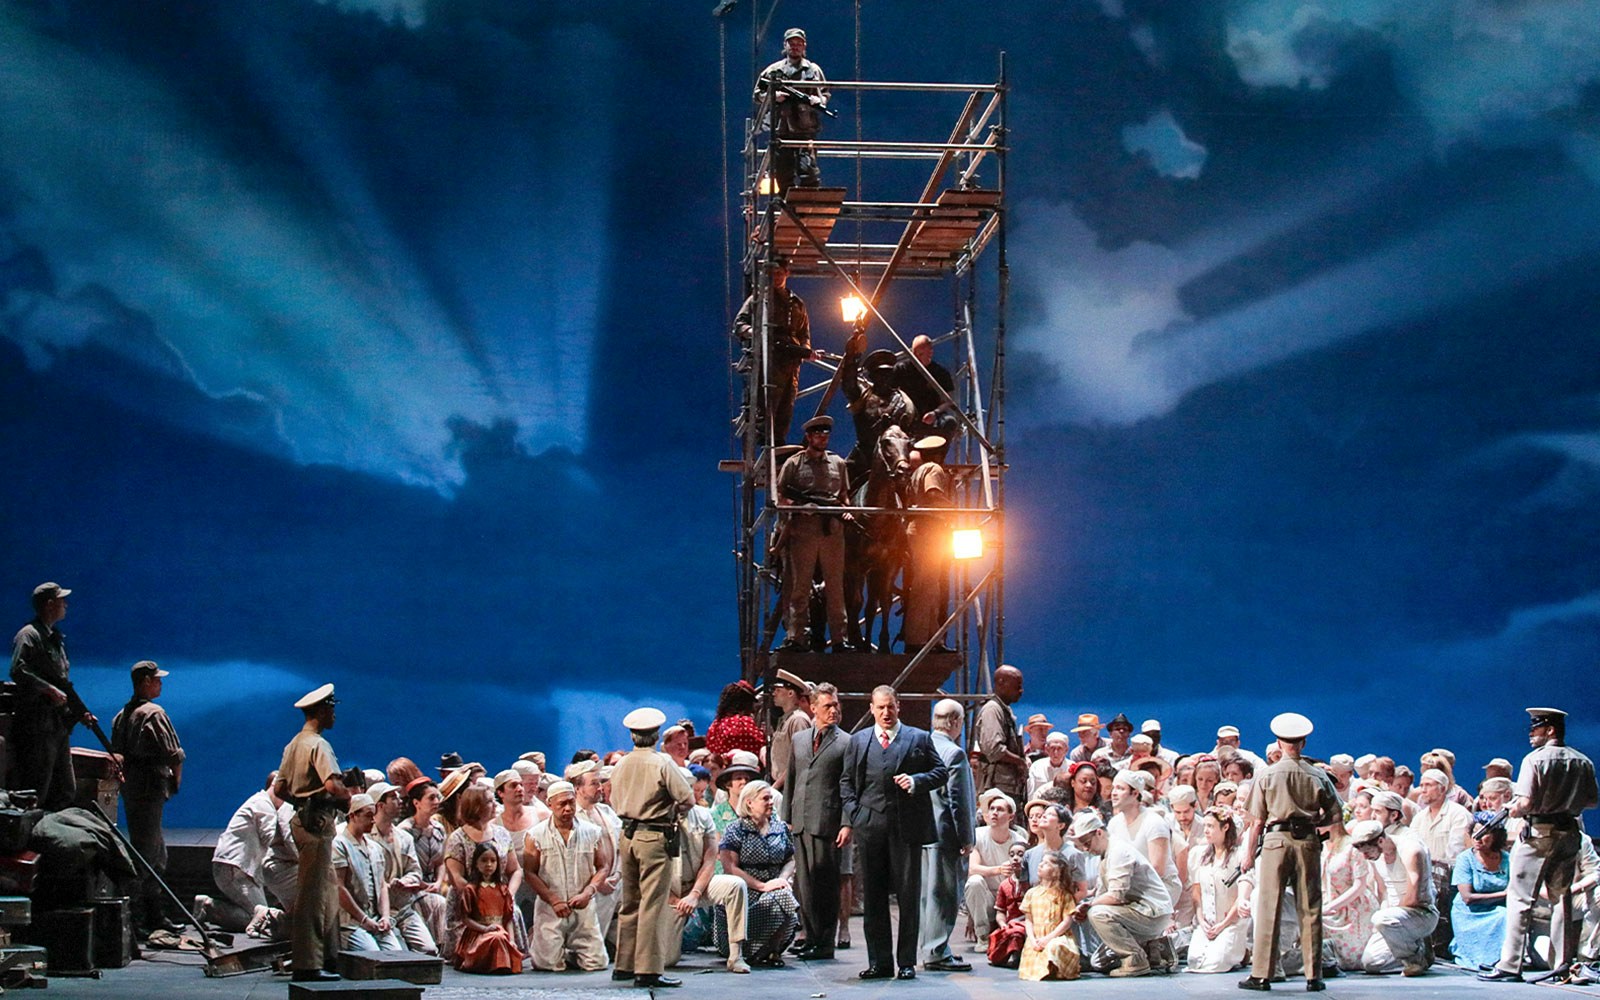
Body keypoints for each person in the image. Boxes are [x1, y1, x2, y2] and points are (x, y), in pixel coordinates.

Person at [1481, 706, 1598, 983]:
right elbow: (1593, 801)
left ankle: (1510, 964)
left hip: (1538, 833)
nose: (1531, 733)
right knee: (1562, 899)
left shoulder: (1534, 760)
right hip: (1568, 831)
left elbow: (1525, 802)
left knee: (1520, 898)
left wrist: (1513, 810)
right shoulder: (1582, 761)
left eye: (1536, 727)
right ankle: (1561, 964)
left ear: (1550, 730)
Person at [839, 685, 947, 980]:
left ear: (899, 706)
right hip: (871, 828)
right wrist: (857, 815)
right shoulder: (859, 741)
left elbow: (941, 772)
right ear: (872, 709)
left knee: (908, 897)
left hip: (906, 829)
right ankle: (880, 962)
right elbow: (847, 783)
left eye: (890, 706)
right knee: (873, 898)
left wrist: (917, 781)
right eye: (881, 707)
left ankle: (907, 962)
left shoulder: (918, 738)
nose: (886, 712)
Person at [1237, 711, 1342, 992]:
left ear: (1279, 743)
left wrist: (1248, 854)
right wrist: (1313, 822)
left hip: (1276, 841)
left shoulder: (1267, 774)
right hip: (1307, 840)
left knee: (1268, 906)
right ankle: (1313, 975)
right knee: (1310, 907)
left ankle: (1262, 974)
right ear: (1303, 743)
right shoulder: (1317, 774)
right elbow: (1335, 814)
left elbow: (1257, 821)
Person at [610, 706, 695, 989]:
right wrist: (670, 808)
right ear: (656, 735)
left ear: (633, 735)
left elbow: (613, 798)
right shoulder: (662, 763)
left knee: (630, 901)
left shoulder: (621, 764)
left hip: (627, 835)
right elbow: (687, 799)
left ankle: (624, 964)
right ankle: (647, 969)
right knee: (652, 904)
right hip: (654, 836)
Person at [275, 683, 352, 982]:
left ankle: (328, 956)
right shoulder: (318, 745)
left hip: (303, 820)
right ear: (322, 710)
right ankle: (308, 964)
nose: (334, 714)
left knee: (326, 892)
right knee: (313, 896)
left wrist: (302, 799)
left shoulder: (294, 744)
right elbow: (333, 784)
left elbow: (280, 789)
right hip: (318, 822)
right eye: (331, 708)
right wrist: (346, 798)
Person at [110, 659, 185, 937]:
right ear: (145, 682)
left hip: (132, 790)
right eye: (156, 680)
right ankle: (135, 919)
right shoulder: (153, 713)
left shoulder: (121, 716)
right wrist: (175, 779)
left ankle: (154, 916)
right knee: (146, 855)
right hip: (150, 789)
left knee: (156, 853)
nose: (160, 684)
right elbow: (174, 754)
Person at [9, 582, 93, 811]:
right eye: (61, 600)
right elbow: (18, 669)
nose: (66, 604)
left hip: (57, 725)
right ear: (49, 604)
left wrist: (80, 712)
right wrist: (48, 689)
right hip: (37, 727)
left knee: (65, 790)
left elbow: (63, 682)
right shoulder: (29, 635)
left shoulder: (54, 638)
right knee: (37, 789)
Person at [782, 681, 848, 960]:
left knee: (825, 886)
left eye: (836, 705)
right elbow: (792, 779)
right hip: (801, 820)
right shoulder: (800, 739)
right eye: (827, 706)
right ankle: (810, 936)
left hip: (828, 822)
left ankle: (824, 943)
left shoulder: (846, 742)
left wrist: (846, 823)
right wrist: (787, 817)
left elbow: (849, 786)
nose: (833, 710)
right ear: (813, 708)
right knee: (805, 885)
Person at [661, 768, 751, 973]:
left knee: (735, 885)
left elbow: (710, 859)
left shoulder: (703, 815)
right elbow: (652, 867)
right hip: (668, 892)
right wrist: (674, 899)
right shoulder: (656, 818)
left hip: (698, 884)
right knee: (666, 959)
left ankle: (736, 955)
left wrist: (694, 894)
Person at [775, 416, 852, 651]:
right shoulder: (794, 464)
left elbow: (843, 495)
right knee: (800, 587)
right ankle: (796, 637)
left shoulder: (838, 463)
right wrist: (801, 507)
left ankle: (839, 639)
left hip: (832, 532)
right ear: (809, 437)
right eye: (818, 435)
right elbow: (781, 497)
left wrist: (846, 511)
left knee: (835, 587)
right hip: (804, 530)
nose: (823, 439)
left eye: (826, 435)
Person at [1068, 809, 1174, 978]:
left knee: (1097, 913)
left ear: (1099, 833)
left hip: (1152, 912)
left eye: (1087, 843)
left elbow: (1116, 896)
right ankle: (1153, 949)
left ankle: (1135, 959)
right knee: (1098, 962)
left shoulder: (1119, 852)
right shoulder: (1106, 854)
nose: (1087, 849)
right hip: (1136, 909)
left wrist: (1089, 905)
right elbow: (1103, 893)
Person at [522, 780, 609, 973]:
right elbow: (529, 872)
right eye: (562, 804)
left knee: (597, 963)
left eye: (571, 802)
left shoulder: (592, 832)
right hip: (551, 908)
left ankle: (572, 953)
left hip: (583, 907)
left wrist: (588, 892)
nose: (568, 808)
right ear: (550, 804)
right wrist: (553, 899)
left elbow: (603, 867)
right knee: (546, 964)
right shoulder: (535, 835)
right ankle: (560, 951)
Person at [718, 780, 800, 966]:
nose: (771, 802)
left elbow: (790, 859)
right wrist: (762, 886)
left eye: (771, 798)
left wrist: (781, 880)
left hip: (775, 888)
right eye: (765, 798)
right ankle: (759, 951)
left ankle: (772, 950)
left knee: (783, 894)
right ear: (749, 803)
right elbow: (730, 867)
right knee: (784, 898)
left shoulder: (780, 828)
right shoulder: (736, 829)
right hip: (746, 892)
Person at [920, 698, 975, 972]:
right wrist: (967, 838)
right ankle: (937, 951)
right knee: (944, 895)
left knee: (926, 896)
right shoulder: (954, 754)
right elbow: (958, 801)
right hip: (945, 835)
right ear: (954, 722)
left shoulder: (921, 747)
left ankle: (929, 947)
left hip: (922, 833)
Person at [733, 260, 814, 445]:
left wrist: (805, 351)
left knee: (787, 406)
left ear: (787, 273)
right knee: (768, 405)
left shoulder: (797, 303)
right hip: (770, 358)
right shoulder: (759, 299)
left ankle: (778, 444)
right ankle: (768, 442)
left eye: (779, 273)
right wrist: (755, 333)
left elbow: (804, 333)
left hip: (791, 360)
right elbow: (739, 324)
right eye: (773, 273)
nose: (776, 277)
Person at [1352, 804, 1438, 976]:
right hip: (1394, 917)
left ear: (1380, 841)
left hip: (1422, 913)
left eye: (1367, 852)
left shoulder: (1410, 849)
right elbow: (1383, 892)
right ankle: (1419, 948)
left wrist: (1384, 919)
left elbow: (1413, 897)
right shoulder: (1377, 857)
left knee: (1381, 918)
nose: (1365, 857)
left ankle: (1416, 959)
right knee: (1371, 963)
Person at [443, 785, 527, 957]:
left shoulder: (502, 834)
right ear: (475, 806)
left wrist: (506, 895)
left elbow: (516, 870)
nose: (496, 804)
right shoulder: (457, 838)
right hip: (470, 903)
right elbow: (457, 878)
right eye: (489, 801)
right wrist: (484, 897)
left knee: (512, 912)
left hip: (498, 898)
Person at [200, 772, 287, 935]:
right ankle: (209, 907)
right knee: (260, 918)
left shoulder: (260, 802)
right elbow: (271, 839)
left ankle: (212, 907)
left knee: (270, 903)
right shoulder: (264, 806)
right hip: (235, 869)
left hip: (234, 867)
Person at [367, 781, 439, 955]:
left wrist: (406, 881)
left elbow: (414, 870)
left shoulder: (404, 837)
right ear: (380, 805)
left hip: (403, 907)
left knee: (429, 950)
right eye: (393, 798)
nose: (399, 801)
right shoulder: (367, 838)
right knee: (396, 954)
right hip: (378, 910)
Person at [756, 28, 828, 192]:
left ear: (804, 46)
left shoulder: (813, 70)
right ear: (785, 45)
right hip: (781, 128)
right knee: (782, 175)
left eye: (798, 43)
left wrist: (819, 100)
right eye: (792, 43)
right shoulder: (773, 71)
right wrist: (773, 96)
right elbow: (757, 94)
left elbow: (824, 93)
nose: (795, 47)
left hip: (805, 128)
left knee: (809, 172)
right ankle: (786, 206)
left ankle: (808, 204)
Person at [903, 435, 954, 652]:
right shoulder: (933, 469)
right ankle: (916, 640)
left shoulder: (917, 472)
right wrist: (954, 509)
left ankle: (933, 638)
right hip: (929, 530)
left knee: (930, 586)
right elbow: (933, 493)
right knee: (925, 586)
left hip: (921, 529)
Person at [333, 793, 404, 951]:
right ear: (353, 816)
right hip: (351, 923)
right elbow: (339, 887)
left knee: (396, 954)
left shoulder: (374, 848)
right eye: (368, 816)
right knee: (373, 954)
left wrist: (385, 916)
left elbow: (382, 884)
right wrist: (363, 919)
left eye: (374, 816)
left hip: (376, 919)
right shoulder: (339, 845)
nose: (373, 820)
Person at [1184, 807, 1248, 973]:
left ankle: (1241, 951)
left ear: (1225, 827)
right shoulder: (1200, 855)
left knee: (1216, 962)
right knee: (1194, 960)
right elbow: (1196, 892)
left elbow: (1241, 895)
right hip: (1208, 922)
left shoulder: (1238, 856)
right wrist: (1201, 920)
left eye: (1211, 826)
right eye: (1205, 826)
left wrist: (1223, 924)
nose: (1206, 830)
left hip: (1230, 922)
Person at [1321, 810, 1380, 972]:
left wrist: (1331, 906)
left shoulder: (1351, 847)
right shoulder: (1322, 846)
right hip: (1329, 902)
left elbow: (1359, 885)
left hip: (1353, 907)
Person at [965, 789, 1025, 951]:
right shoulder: (978, 835)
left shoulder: (1019, 840)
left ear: (1011, 816)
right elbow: (972, 868)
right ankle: (982, 936)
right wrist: (998, 870)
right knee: (975, 881)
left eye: (1000, 809)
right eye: (992, 809)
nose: (994, 813)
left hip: (1008, 900)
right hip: (987, 898)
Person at [1451, 812, 1511, 970]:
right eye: (1475, 833)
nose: (1477, 838)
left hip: (1497, 909)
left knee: (1505, 915)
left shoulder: (1507, 859)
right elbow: (1467, 897)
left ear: (1495, 837)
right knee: (1502, 915)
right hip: (1469, 913)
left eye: (1483, 833)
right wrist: (1504, 894)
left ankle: (1501, 960)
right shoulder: (1465, 859)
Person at [455, 843, 525, 974]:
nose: (489, 864)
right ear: (476, 863)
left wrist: (511, 940)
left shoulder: (503, 889)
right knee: (496, 938)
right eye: (484, 860)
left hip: (500, 931)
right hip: (479, 933)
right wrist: (484, 929)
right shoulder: (471, 889)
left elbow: (508, 918)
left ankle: (500, 965)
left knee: (499, 937)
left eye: (493, 861)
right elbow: (466, 919)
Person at [1018, 851, 1081, 981]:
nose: (1040, 865)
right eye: (1041, 862)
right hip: (1037, 938)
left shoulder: (1064, 895)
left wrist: (1048, 938)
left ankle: (1058, 969)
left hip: (1056, 936)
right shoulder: (1032, 893)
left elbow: (1067, 922)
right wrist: (1032, 939)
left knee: (1054, 947)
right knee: (1035, 956)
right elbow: (1029, 920)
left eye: (1046, 863)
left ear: (1056, 871)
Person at [973, 665, 1027, 802]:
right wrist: (1020, 762)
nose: (1021, 691)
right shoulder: (992, 710)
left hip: (1006, 786)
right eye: (1017, 686)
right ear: (1001, 683)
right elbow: (994, 749)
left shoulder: (1004, 710)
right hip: (996, 788)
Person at [894, 335, 960, 439]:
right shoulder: (901, 369)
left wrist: (935, 413)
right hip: (906, 417)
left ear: (930, 353)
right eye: (915, 354)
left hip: (931, 417)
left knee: (949, 423)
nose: (917, 357)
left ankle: (938, 448)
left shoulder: (941, 373)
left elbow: (948, 400)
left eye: (921, 354)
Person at [766, 669, 812, 793]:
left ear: (790, 693)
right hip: (783, 786)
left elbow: (800, 759)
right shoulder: (786, 719)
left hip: (790, 787)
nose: (774, 694)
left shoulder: (798, 720)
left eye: (778, 690)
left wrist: (776, 786)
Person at [1027, 732, 1071, 799]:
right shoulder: (1036, 766)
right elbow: (1030, 793)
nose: (1055, 752)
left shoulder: (1072, 768)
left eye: (1059, 748)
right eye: (1052, 748)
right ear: (1046, 749)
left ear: (1066, 750)